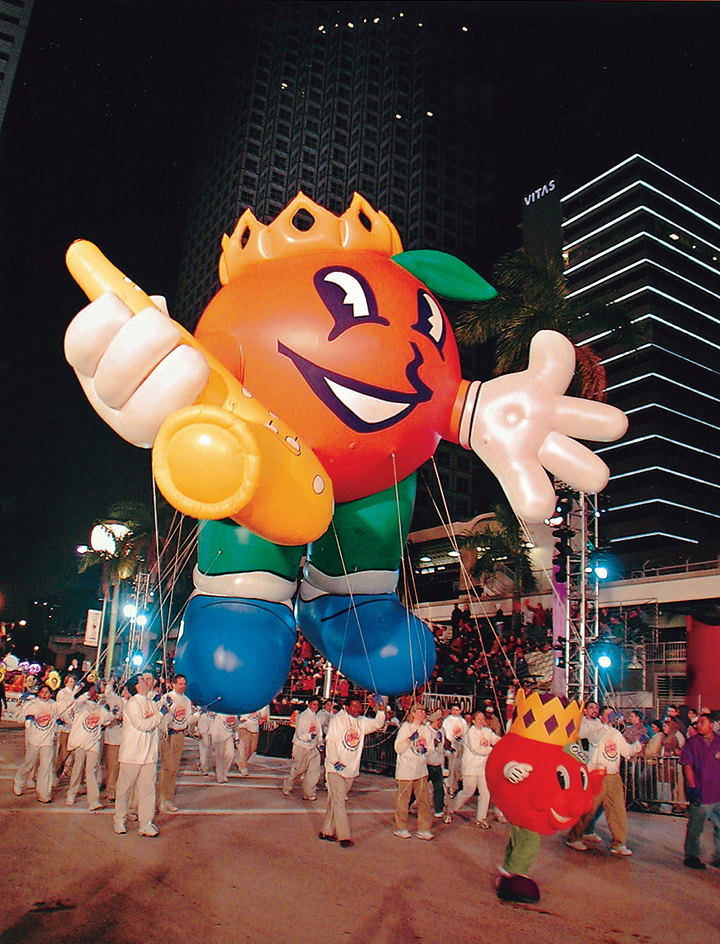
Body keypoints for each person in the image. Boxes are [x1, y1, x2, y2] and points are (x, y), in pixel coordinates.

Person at [566, 707, 642, 856]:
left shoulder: (616, 734)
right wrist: (606, 726)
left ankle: (619, 843)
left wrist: (638, 745)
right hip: (597, 774)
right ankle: (574, 837)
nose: (613, 717)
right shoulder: (595, 730)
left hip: (613, 775)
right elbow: (594, 739)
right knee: (589, 807)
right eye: (609, 715)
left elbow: (626, 752)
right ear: (601, 717)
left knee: (617, 810)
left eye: (614, 715)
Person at [319, 696, 386, 847]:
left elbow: (377, 724)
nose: (357, 710)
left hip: (351, 769)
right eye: (354, 707)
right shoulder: (337, 720)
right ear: (346, 707)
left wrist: (380, 710)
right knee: (339, 801)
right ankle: (344, 837)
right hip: (335, 768)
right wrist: (335, 761)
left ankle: (326, 831)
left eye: (359, 707)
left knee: (335, 801)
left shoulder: (361, 721)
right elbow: (330, 741)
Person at [113, 673, 166, 837]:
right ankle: (119, 819)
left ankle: (146, 823)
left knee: (148, 790)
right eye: (143, 680)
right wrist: (160, 714)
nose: (147, 682)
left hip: (149, 755)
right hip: (132, 754)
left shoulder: (150, 703)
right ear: (136, 686)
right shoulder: (132, 705)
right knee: (125, 789)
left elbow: (157, 721)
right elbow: (143, 725)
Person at [443, 710, 500, 829]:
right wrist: (493, 750)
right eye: (478, 719)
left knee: (485, 792)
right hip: (470, 767)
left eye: (483, 719)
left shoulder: (487, 731)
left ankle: (481, 818)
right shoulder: (470, 733)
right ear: (473, 721)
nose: (481, 721)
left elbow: (496, 740)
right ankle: (450, 809)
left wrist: (506, 742)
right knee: (468, 791)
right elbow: (477, 749)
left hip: (483, 768)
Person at [680, 712, 720, 870]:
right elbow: (687, 765)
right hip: (702, 792)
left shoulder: (718, 742)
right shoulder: (692, 743)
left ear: (712, 725)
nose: (698, 725)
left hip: (717, 792)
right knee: (696, 826)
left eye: (702, 722)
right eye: (697, 723)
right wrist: (692, 787)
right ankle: (691, 855)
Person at [13, 683, 64, 802]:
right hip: (34, 740)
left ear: (51, 694)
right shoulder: (32, 705)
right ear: (39, 693)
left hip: (47, 741)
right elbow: (19, 718)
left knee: (46, 767)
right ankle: (19, 782)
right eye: (42, 692)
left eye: (47, 692)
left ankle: (44, 793)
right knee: (29, 764)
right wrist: (27, 718)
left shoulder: (54, 705)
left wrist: (59, 722)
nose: (45, 695)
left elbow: (63, 713)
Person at [66, 684, 113, 810]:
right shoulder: (81, 706)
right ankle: (72, 792)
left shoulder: (99, 708)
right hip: (80, 741)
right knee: (78, 767)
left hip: (93, 743)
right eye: (94, 691)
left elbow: (107, 719)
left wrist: (108, 709)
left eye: (97, 692)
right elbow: (77, 702)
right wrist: (88, 693)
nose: (95, 694)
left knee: (91, 771)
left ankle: (93, 800)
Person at [393, 703, 434, 840]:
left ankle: (424, 829)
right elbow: (398, 748)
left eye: (424, 711)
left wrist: (426, 751)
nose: (423, 714)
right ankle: (401, 827)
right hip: (406, 770)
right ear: (413, 713)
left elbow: (431, 749)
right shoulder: (406, 727)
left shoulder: (426, 730)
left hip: (421, 770)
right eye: (420, 711)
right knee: (403, 800)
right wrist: (410, 739)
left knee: (424, 801)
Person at [158, 673, 195, 812]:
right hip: (169, 735)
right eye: (180, 684)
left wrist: (198, 715)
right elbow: (162, 717)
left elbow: (188, 719)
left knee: (174, 769)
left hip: (180, 735)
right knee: (167, 768)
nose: (183, 686)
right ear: (173, 684)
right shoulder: (168, 698)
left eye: (184, 684)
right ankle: (161, 799)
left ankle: (168, 799)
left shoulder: (186, 700)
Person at [283, 696, 324, 800]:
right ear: (309, 704)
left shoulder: (316, 718)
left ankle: (309, 792)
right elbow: (300, 734)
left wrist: (320, 743)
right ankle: (288, 785)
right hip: (301, 747)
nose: (316, 707)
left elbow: (319, 734)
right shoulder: (303, 716)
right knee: (299, 770)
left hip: (313, 748)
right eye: (314, 704)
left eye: (317, 705)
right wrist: (310, 736)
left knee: (314, 770)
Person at [442, 703, 468, 797]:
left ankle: (456, 786)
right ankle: (451, 787)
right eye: (453, 709)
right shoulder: (447, 721)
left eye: (457, 710)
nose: (455, 712)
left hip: (460, 747)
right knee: (451, 767)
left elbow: (465, 734)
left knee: (458, 768)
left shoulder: (463, 722)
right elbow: (445, 734)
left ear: (460, 710)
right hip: (451, 747)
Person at [235, 706, 270, 776]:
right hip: (243, 726)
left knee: (253, 748)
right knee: (245, 748)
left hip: (254, 728)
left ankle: (241, 761)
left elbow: (263, 714)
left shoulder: (261, 702)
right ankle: (243, 767)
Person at [425, 710, 446, 819]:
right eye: (439, 720)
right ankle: (408, 804)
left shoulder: (441, 731)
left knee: (438, 788)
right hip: (428, 763)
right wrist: (432, 743)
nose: (441, 722)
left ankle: (439, 809)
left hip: (437, 763)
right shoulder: (426, 730)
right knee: (422, 788)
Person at [211, 712, 237, 783]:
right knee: (220, 756)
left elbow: (236, 723)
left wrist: (236, 736)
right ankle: (220, 776)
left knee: (230, 755)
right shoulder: (219, 710)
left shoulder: (234, 710)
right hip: (218, 735)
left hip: (229, 734)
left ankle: (224, 773)